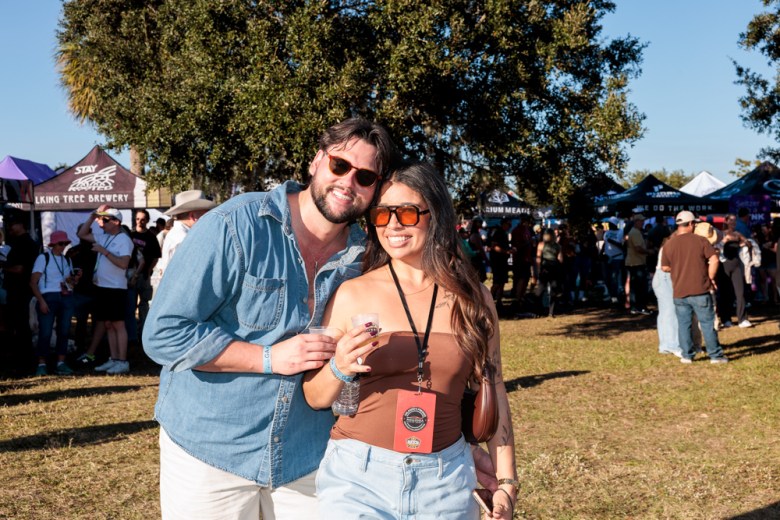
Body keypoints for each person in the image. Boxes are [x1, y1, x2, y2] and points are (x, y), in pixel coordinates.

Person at [142, 118, 403, 519]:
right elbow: (163, 333)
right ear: (317, 161)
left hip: (308, 454)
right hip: (212, 454)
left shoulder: (365, 256)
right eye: (339, 165)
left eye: (365, 176)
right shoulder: (236, 225)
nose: (348, 182)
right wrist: (269, 358)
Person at [303, 161, 517, 520]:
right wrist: (339, 366)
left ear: (435, 215)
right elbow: (314, 396)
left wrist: (507, 482)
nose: (393, 225)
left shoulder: (474, 298)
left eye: (406, 212)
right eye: (381, 214)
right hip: (359, 479)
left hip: (446, 480)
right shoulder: (352, 293)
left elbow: (494, 388)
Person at [661, 211, 727, 364]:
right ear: (691, 224)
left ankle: (687, 355)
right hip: (700, 289)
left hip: (679, 290)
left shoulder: (669, 244)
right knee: (707, 324)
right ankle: (715, 355)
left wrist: (679, 269)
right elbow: (714, 259)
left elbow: (664, 267)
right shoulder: (700, 240)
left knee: (684, 325)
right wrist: (710, 278)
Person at [77, 206, 134, 374]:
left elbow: (123, 264)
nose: (101, 222)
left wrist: (104, 252)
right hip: (102, 287)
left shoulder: (124, 240)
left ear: (116, 222)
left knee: (118, 324)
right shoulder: (105, 237)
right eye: (101, 219)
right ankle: (114, 359)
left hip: (116, 288)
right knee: (108, 324)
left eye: (105, 220)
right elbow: (82, 234)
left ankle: (122, 361)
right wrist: (91, 216)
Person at [29, 230, 79, 376]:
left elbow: (69, 282)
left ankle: (60, 363)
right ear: (53, 244)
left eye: (65, 243)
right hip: (48, 296)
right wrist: (41, 301)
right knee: (45, 332)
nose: (63, 246)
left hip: (65, 296)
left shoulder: (67, 260)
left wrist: (75, 279)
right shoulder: (43, 258)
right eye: (60, 243)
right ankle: (42, 364)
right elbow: (33, 282)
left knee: (64, 331)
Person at [149, 190, 217, 293]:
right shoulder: (185, 239)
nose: (208, 219)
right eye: (205, 214)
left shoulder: (178, 235)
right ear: (193, 216)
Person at [2, 214, 40, 374]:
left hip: (21, 290)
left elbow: (19, 268)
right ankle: (20, 359)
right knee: (17, 325)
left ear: (21, 225)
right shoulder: (17, 242)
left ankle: (25, 362)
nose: (9, 227)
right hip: (15, 289)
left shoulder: (26, 244)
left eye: (12, 224)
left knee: (22, 326)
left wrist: (2, 265)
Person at [130, 209, 162, 340]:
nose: (140, 221)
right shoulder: (130, 234)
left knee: (144, 305)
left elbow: (156, 257)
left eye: (143, 219)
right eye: (138, 219)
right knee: (130, 305)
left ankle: (143, 333)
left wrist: (149, 270)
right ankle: (132, 334)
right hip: (130, 274)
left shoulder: (151, 237)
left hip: (144, 276)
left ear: (147, 220)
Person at [718, 214, 752, 328]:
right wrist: (725, 240)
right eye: (731, 220)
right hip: (724, 265)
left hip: (737, 265)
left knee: (740, 292)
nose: (733, 222)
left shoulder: (737, 234)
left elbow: (749, 243)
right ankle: (726, 319)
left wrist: (744, 243)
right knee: (725, 293)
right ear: (726, 221)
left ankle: (742, 319)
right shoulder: (721, 234)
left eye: (735, 220)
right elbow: (717, 247)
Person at [625, 213, 652, 315]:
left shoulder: (634, 232)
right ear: (636, 222)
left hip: (634, 262)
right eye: (641, 221)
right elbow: (638, 248)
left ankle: (634, 307)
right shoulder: (635, 233)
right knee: (641, 286)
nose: (643, 223)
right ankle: (641, 307)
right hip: (637, 263)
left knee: (635, 286)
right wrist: (648, 252)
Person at [535, 228, 563, 317]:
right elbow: (560, 259)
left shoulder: (541, 245)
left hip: (545, 268)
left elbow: (538, 258)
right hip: (554, 268)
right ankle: (551, 311)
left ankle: (538, 310)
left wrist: (538, 269)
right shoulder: (557, 246)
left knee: (540, 290)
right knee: (553, 290)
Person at [488, 218, 512, 308]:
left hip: (503, 261)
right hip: (497, 262)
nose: (509, 226)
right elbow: (494, 246)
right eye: (508, 224)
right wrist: (506, 252)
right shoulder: (498, 232)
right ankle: (488, 301)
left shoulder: (504, 233)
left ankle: (499, 301)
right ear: (503, 224)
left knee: (502, 282)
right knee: (497, 282)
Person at [511, 215, 534, 309]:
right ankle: (518, 299)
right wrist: (528, 243)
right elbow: (516, 246)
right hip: (520, 259)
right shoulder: (517, 230)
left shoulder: (527, 230)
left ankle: (522, 297)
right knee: (521, 278)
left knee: (526, 278)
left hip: (527, 259)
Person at [468, 217, 488, 283]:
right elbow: (480, 249)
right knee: (479, 279)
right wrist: (486, 259)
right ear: (476, 223)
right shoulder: (475, 235)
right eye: (480, 222)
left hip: (476, 260)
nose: (481, 224)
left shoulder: (476, 234)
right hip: (476, 261)